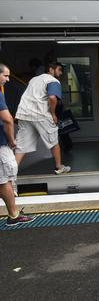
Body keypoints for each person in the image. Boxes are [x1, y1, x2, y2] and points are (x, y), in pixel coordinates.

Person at [14, 61, 71, 175]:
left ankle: (11, 174)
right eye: (59, 70)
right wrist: (53, 114)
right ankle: (59, 167)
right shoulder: (53, 81)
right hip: (41, 115)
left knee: (21, 146)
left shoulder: (34, 79)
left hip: (24, 115)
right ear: (50, 69)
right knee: (53, 141)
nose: (60, 73)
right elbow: (52, 98)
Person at [0, 63, 34, 225]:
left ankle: (13, 213)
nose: (8, 79)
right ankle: (13, 216)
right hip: (1, 144)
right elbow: (7, 119)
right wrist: (12, 140)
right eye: (5, 76)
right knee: (5, 179)